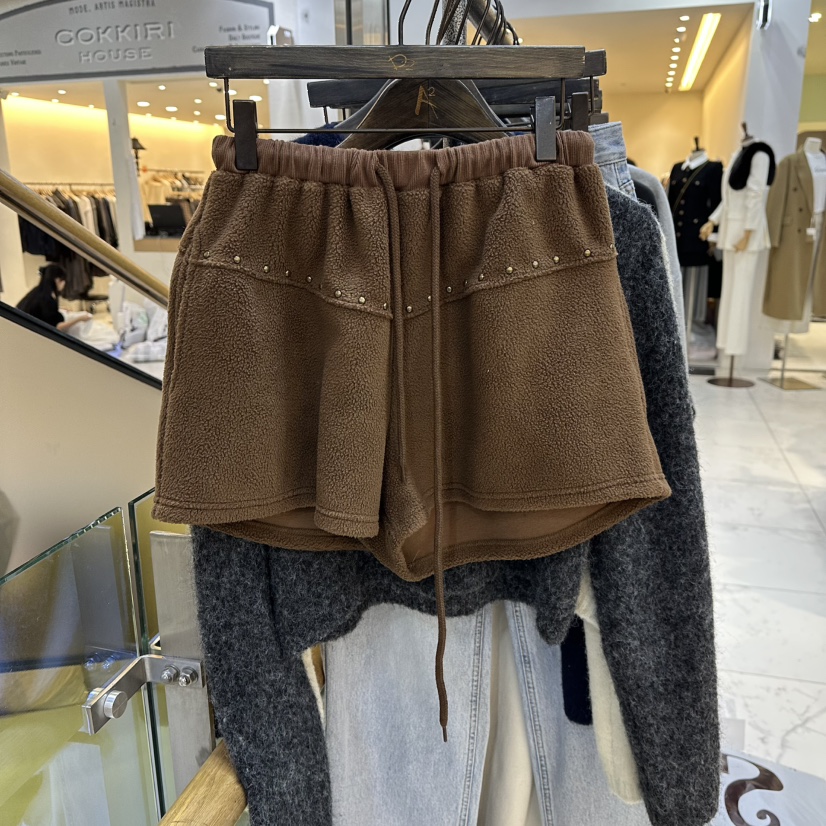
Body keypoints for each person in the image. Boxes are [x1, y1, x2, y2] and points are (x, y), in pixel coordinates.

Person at [16, 264, 91, 332]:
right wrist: (79, 319)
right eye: (63, 280)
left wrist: (60, 309)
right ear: (57, 280)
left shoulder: (37, 292)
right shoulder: (48, 300)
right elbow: (58, 327)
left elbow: (43, 314)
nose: (64, 284)